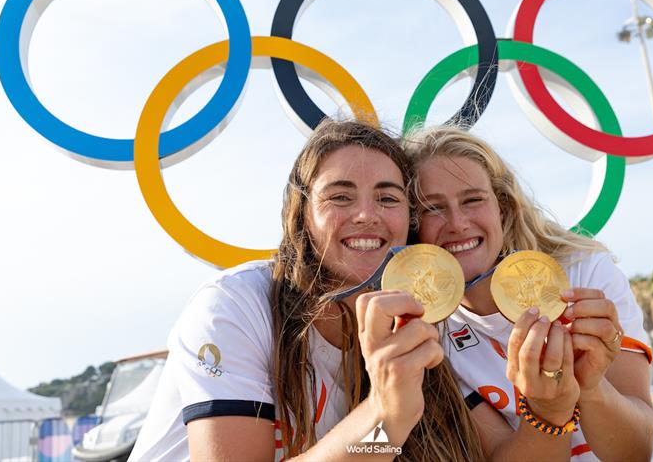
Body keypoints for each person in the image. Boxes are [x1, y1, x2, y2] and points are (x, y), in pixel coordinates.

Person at [130, 120, 483, 461]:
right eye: (340, 197)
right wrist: (382, 411)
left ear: (409, 221)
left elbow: (371, 448)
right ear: (301, 215)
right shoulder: (234, 305)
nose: (365, 215)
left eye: (388, 199)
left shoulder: (412, 324)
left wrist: (390, 420)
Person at [404, 126, 653, 461]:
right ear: (413, 227)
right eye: (432, 208)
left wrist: (591, 387)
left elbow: (636, 452)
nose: (458, 222)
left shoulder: (585, 273)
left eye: (473, 200)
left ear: (503, 207)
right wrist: (547, 412)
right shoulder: (427, 333)